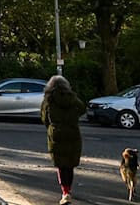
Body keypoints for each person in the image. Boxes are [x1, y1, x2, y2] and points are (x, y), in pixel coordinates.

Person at [41, 75, 86, 205]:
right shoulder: (72, 97)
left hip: (57, 134)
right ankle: (69, 190)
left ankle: (64, 192)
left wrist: (51, 127)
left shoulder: (48, 100)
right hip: (73, 133)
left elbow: (44, 118)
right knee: (70, 164)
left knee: (61, 165)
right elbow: (82, 109)